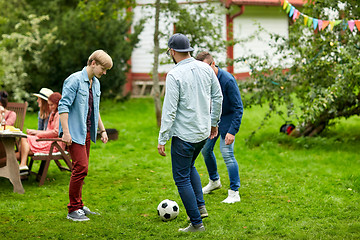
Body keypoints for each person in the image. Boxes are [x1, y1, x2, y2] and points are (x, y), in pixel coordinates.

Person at [157, 34, 223, 232]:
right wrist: (214, 123)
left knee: (181, 177)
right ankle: (200, 207)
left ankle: (196, 223)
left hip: (184, 136)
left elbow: (169, 110)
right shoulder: (206, 68)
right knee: (189, 166)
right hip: (202, 133)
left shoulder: (174, 75)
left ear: (173, 51)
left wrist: (162, 138)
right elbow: (218, 97)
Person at [58, 50, 112, 222]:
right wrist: (66, 132)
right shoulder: (73, 80)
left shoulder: (95, 83)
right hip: (73, 133)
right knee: (81, 168)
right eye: (103, 69)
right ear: (93, 63)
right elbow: (63, 107)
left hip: (86, 132)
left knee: (81, 169)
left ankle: (79, 205)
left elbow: (95, 110)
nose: (104, 73)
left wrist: (102, 130)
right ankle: (73, 209)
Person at [195, 51, 243, 204]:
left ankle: (234, 192)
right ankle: (214, 181)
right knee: (205, 150)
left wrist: (232, 131)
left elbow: (238, 107)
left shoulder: (228, 80)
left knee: (227, 154)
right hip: (212, 122)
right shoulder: (205, 79)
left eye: (205, 68)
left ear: (213, 64)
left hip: (227, 122)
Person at [18, 92, 64, 175]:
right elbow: (47, 131)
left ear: (58, 104)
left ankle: (22, 165)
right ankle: (22, 166)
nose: (50, 107)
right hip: (49, 141)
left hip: (55, 144)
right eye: (49, 105)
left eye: (52, 105)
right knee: (24, 138)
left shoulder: (59, 115)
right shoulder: (53, 114)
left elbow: (56, 132)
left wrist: (37, 133)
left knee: (23, 144)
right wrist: (35, 132)